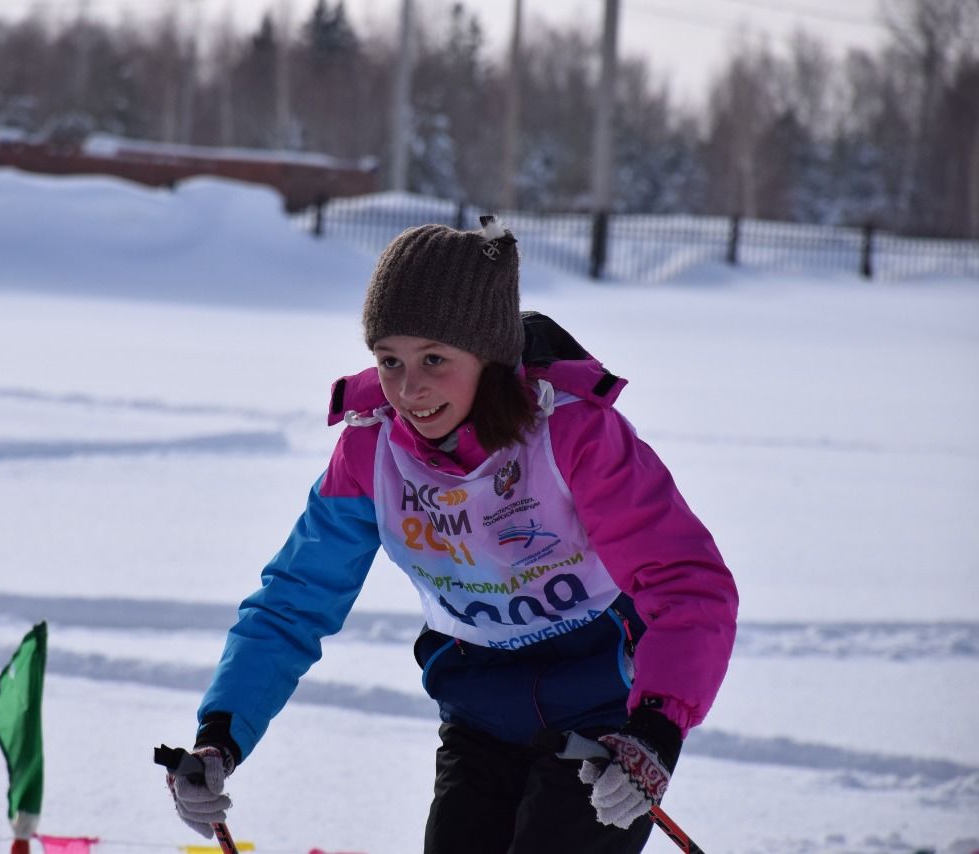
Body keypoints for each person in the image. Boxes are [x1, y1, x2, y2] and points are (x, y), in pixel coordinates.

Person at [162, 217, 738, 853]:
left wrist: (656, 730)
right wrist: (220, 734)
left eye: (435, 358)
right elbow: (296, 599)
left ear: (489, 356)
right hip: (479, 717)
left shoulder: (573, 433)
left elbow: (686, 584)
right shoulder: (371, 451)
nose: (410, 389)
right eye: (390, 360)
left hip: (603, 721)